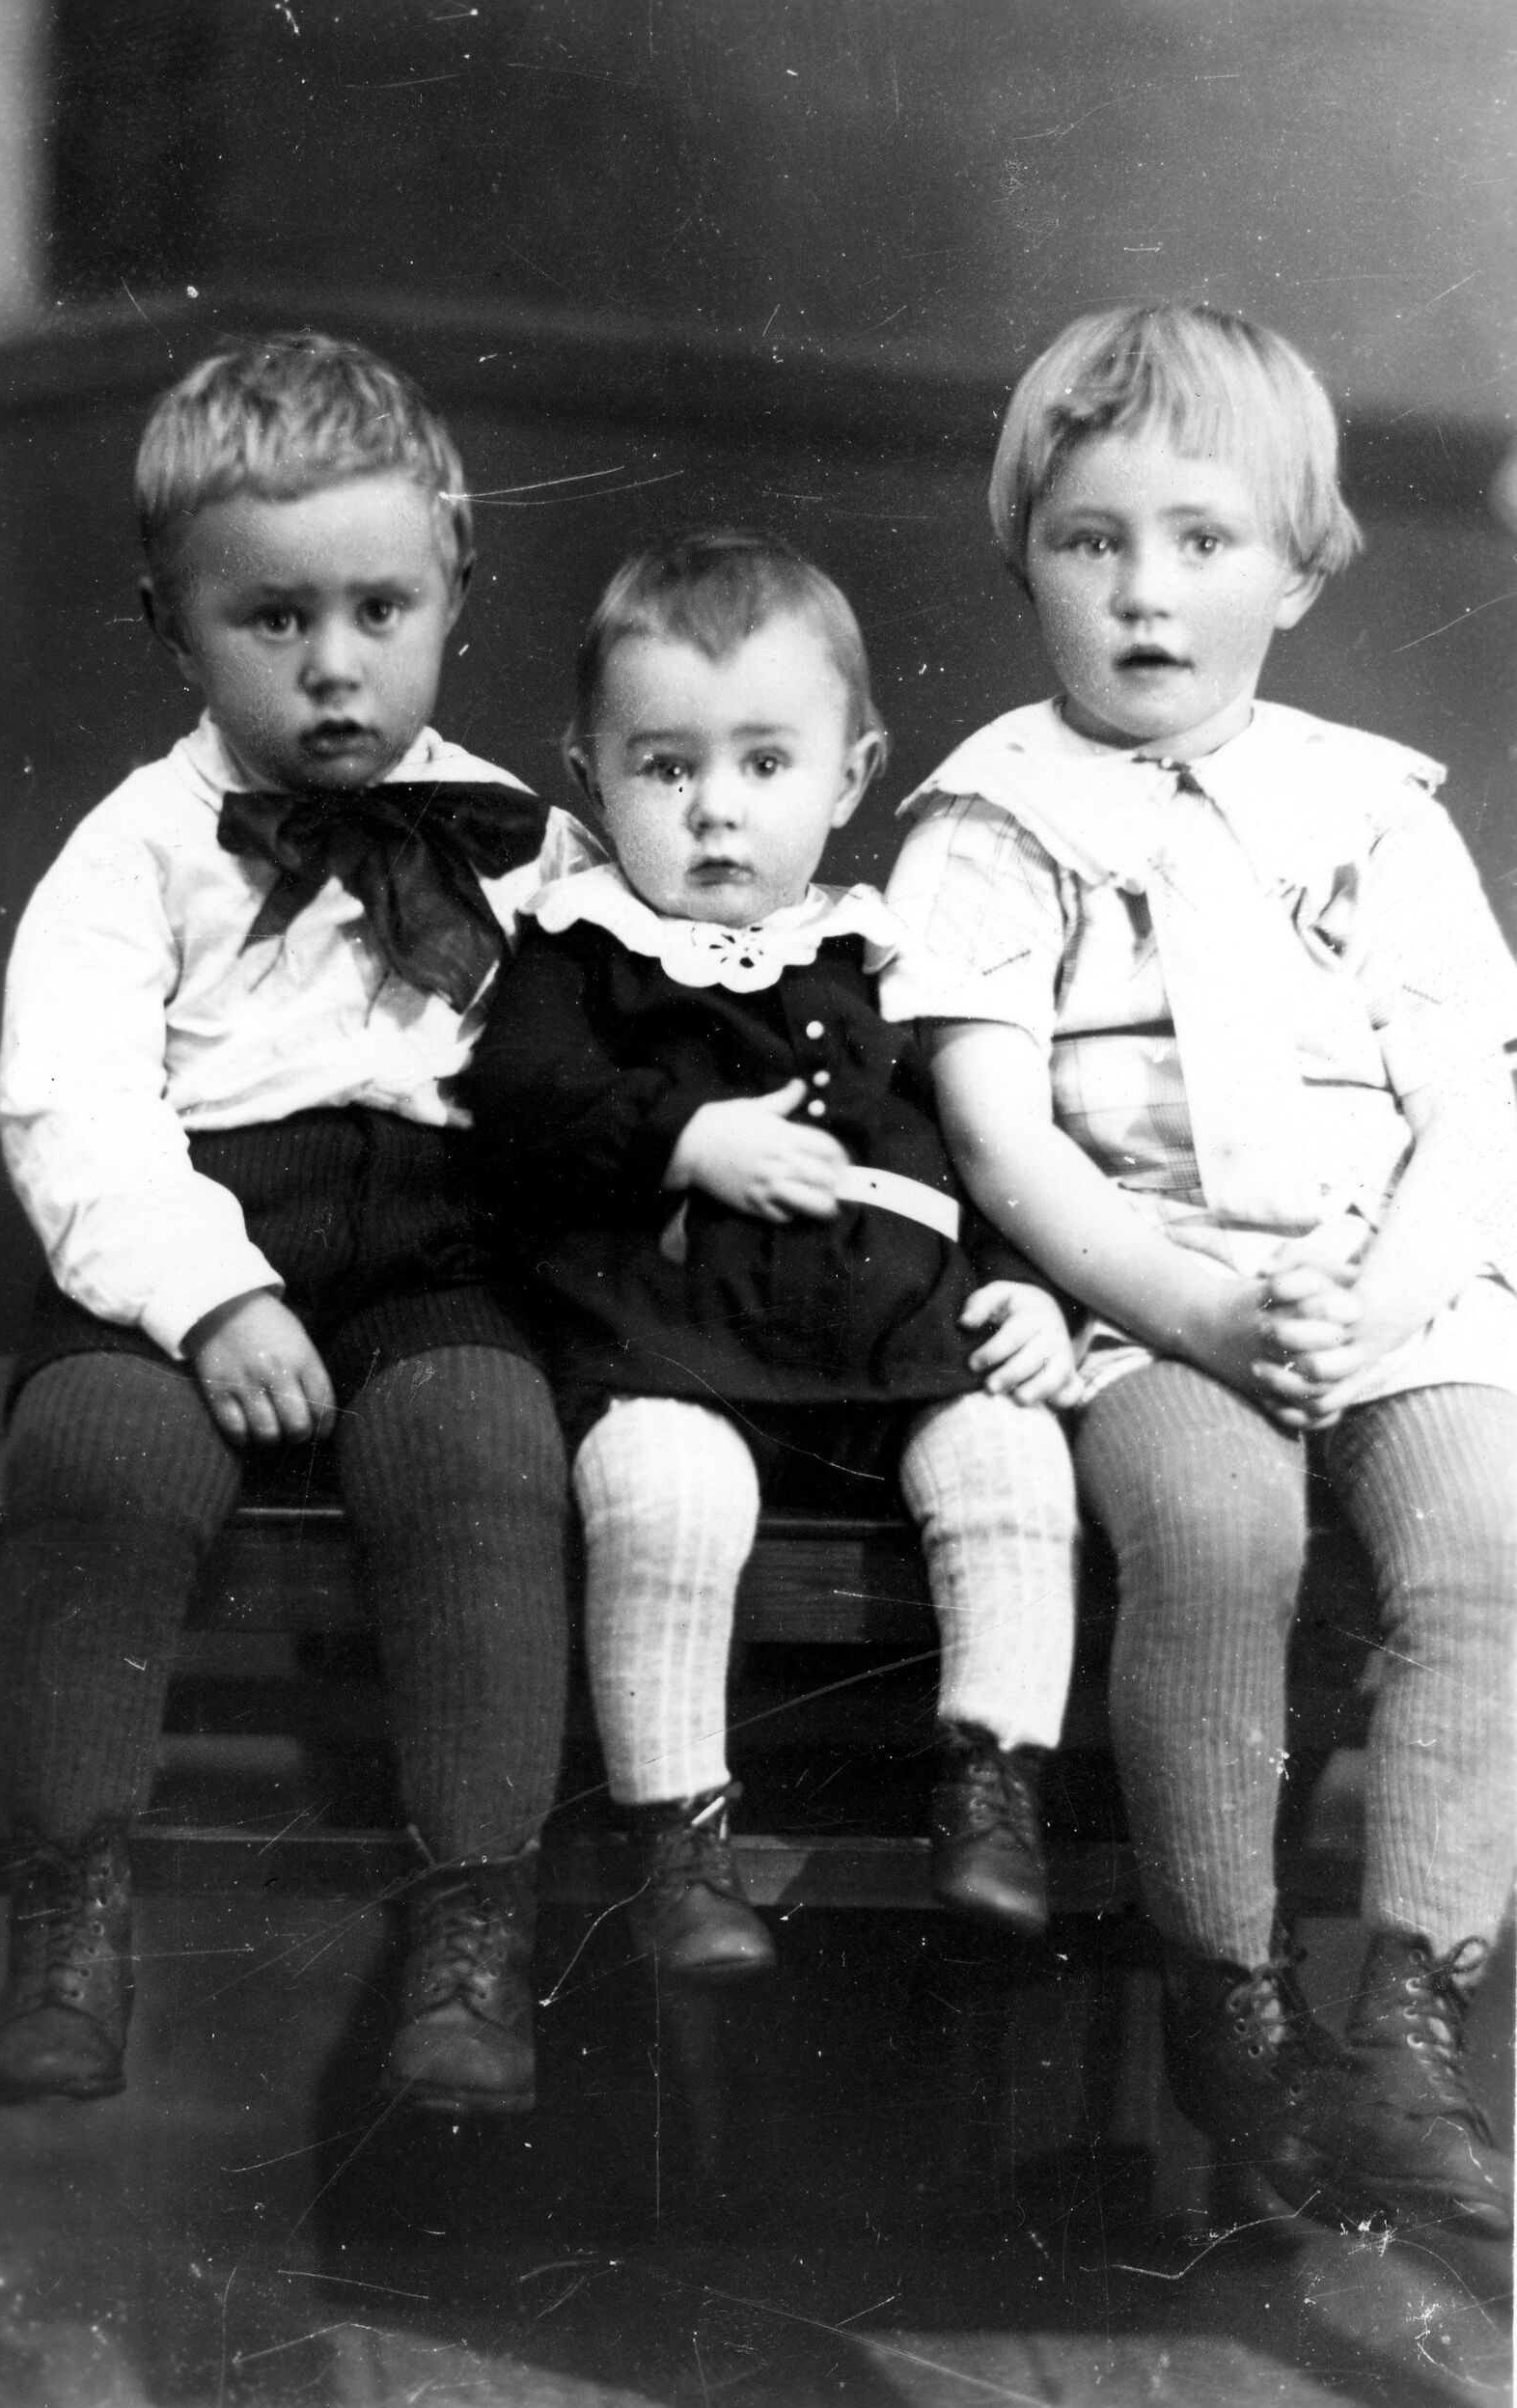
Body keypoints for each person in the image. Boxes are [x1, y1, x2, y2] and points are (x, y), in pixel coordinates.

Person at [884, 301, 1517, 2238]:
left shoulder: (1372, 814)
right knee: (1221, 1539)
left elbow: (1471, 1100)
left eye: (1201, 539)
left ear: (1297, 573)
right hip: (1147, 1298)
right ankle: (1225, 1994)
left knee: (1489, 1543)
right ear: (1028, 561)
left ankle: (1407, 2019)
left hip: (1381, 1287)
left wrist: (1382, 1302)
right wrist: (1204, 1317)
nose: (1144, 591)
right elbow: (1002, 1140)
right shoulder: (992, 823)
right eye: (1092, 541)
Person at [0, 332, 602, 2118]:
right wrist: (211, 1299)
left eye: (379, 609)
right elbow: (75, 1111)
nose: (335, 664)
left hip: (431, 1258)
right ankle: (71, 1906)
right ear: (171, 625)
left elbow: (593, 1081)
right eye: (272, 618)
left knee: (485, 1454)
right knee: (91, 1451)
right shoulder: (135, 851)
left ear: (454, 589)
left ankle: (472, 1925)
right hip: (187, 1252)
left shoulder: (525, 846)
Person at [460, 529, 1081, 1982]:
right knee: (659, 1497)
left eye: (763, 763)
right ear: (590, 775)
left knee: (1012, 1457)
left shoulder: (880, 953)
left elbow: (975, 1135)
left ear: (851, 778)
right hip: (674, 1346)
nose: (717, 810)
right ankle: (678, 1837)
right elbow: (517, 1107)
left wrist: (1027, 1285)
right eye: (665, 768)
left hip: (892, 1345)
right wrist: (682, 1136)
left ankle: (992, 1781)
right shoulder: (580, 949)